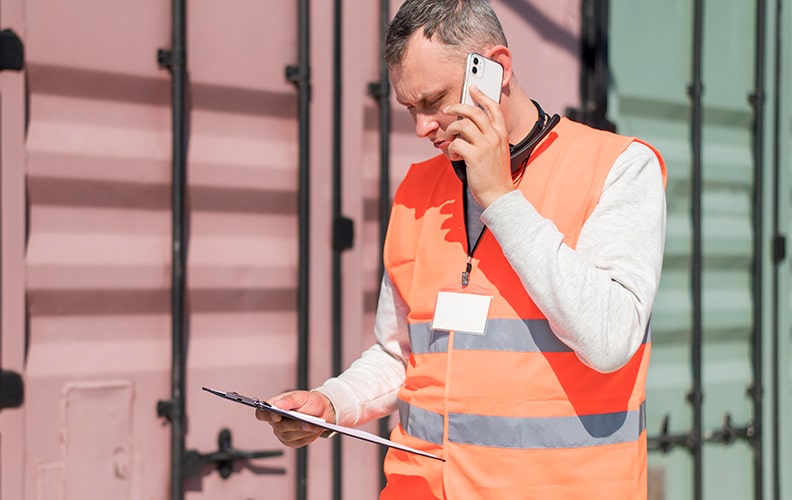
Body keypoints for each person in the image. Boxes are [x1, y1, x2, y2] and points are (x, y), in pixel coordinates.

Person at [256, 0, 667, 498]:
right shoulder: (416, 189)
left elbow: (609, 340)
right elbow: (403, 353)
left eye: (434, 101)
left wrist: (500, 197)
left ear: (496, 69)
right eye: (410, 108)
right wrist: (333, 401)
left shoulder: (619, 168)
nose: (421, 128)